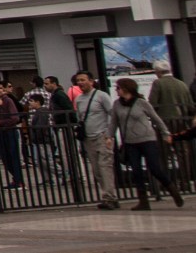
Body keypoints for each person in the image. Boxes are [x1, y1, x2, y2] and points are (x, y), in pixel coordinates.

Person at [114, 76, 185, 210]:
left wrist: (165, 133)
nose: (116, 90)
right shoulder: (117, 104)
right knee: (136, 171)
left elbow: (156, 119)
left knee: (154, 168)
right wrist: (109, 136)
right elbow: (114, 122)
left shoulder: (141, 103)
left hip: (147, 139)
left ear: (125, 89)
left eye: (118, 88)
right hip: (130, 142)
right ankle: (143, 201)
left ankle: (173, 191)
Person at [72, 70, 118, 209]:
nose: (80, 83)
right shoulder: (79, 99)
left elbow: (112, 114)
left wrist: (109, 134)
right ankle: (108, 195)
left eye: (83, 80)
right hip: (88, 138)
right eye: (78, 80)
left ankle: (109, 197)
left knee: (105, 167)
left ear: (91, 81)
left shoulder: (101, 96)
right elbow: (79, 117)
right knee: (97, 170)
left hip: (102, 136)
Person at [151, 62, 195, 184]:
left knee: (163, 154)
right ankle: (185, 181)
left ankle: (165, 183)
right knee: (182, 153)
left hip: (164, 123)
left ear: (158, 72)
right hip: (181, 122)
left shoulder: (158, 83)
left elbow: (153, 104)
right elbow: (190, 106)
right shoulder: (182, 84)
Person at [0, 80, 26, 189]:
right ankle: (16, 179)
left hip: (10, 130)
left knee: (13, 155)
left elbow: (15, 118)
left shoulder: (8, 100)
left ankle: (19, 181)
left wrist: (1, 122)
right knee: (4, 157)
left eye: (0, 88)